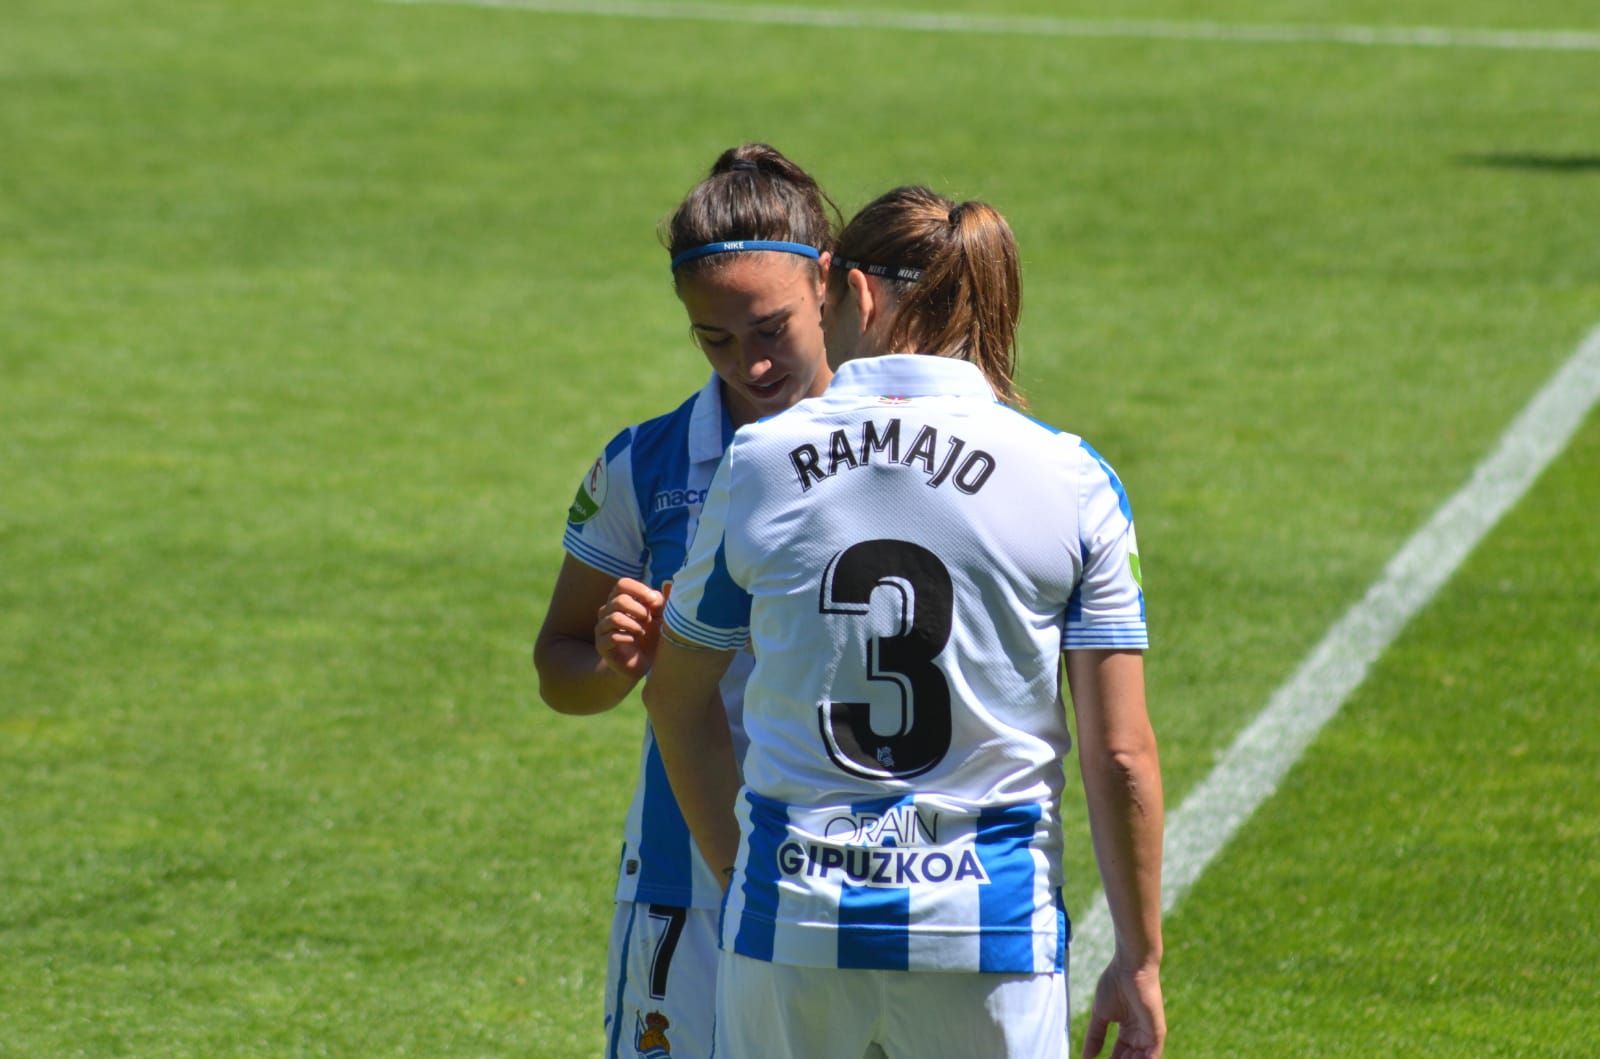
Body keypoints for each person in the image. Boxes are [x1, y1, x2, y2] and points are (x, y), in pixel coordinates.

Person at [643, 185, 1166, 1058]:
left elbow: (675, 696)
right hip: (988, 929)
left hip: (792, 922)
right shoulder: (1072, 478)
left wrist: (744, 878)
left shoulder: (760, 463)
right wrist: (1140, 959)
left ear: (862, 293)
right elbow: (1121, 751)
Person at [532, 143, 837, 1059]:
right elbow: (558, 666)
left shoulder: (897, 454)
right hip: (680, 885)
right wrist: (617, 663)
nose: (750, 363)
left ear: (828, 284)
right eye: (715, 339)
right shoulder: (647, 462)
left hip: (844, 871)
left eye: (770, 328)